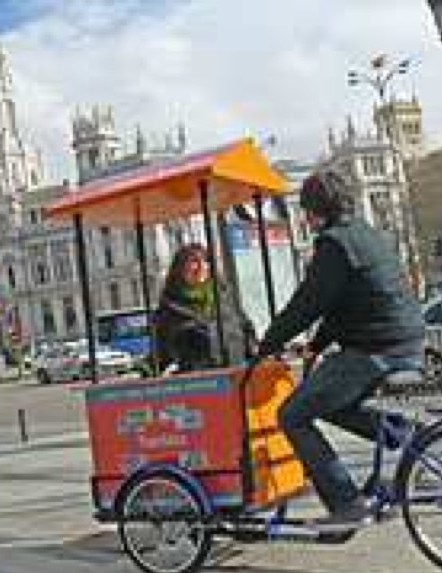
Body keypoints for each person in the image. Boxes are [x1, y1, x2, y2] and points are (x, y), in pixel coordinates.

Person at [257, 168, 424, 527]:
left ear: (316, 210)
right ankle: (404, 435)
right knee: (329, 403)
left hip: (376, 349)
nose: (306, 218)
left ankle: (346, 503)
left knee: (292, 414)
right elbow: (343, 303)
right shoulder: (365, 234)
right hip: (406, 341)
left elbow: (309, 303)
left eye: (306, 210)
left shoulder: (334, 243)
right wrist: (316, 345)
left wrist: (266, 344)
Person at [154, 243, 255, 372]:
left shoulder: (225, 297)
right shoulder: (169, 307)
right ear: (179, 268)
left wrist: (258, 353)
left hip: (236, 375)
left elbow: (247, 329)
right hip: (200, 383)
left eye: (206, 261)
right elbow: (161, 353)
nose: (202, 266)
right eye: (194, 261)